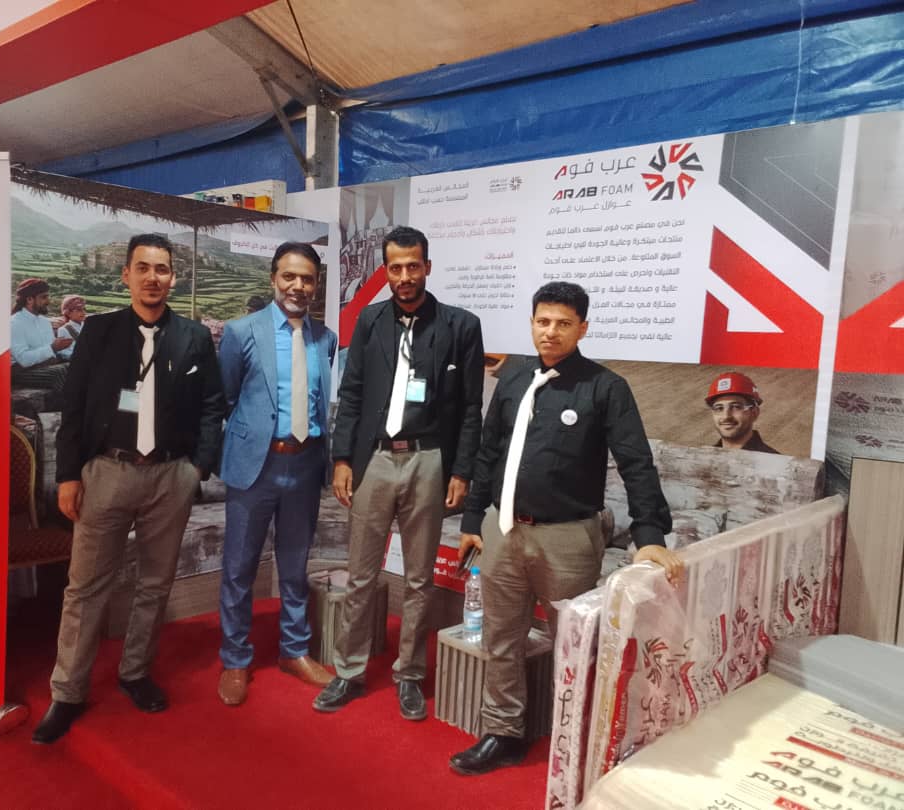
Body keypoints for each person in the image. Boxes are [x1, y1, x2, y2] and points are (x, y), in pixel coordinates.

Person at [448, 281, 683, 776]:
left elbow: (637, 463)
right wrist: (472, 519)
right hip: (501, 531)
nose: (550, 332)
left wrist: (649, 537)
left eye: (563, 323)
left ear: (582, 328)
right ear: (532, 322)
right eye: (543, 321)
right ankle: (503, 732)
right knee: (501, 638)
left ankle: (573, 737)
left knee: (573, 644)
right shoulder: (514, 377)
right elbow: (489, 452)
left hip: (568, 540)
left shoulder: (605, 388)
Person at [32, 234, 225, 744]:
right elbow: (74, 406)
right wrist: (68, 476)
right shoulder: (100, 331)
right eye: (143, 268)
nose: (152, 278)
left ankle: (135, 672)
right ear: (126, 275)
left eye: (161, 269)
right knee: (85, 587)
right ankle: (67, 692)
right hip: (107, 473)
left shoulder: (193, 337)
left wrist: (198, 469)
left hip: (171, 476)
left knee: (155, 584)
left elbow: (212, 405)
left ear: (173, 277)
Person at [313, 225, 484, 721]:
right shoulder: (370, 320)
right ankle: (349, 670)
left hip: (429, 460)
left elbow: (471, 408)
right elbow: (352, 393)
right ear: (385, 271)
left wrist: (462, 471)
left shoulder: (460, 326)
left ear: (427, 267)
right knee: (360, 574)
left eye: (413, 266)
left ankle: (408, 673)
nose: (405, 276)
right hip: (375, 459)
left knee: (419, 578)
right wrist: (342, 459)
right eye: (395, 268)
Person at [216, 242, 337, 706]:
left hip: (305, 464)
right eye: (289, 276)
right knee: (239, 568)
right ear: (273, 278)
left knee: (295, 564)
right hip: (256, 465)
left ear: (316, 285)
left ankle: (294, 650)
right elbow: (226, 397)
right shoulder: (240, 331)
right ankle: (235, 659)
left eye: (307, 278)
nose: (298, 286)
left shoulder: (325, 339)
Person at [10, 278, 71, 400]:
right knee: (61, 372)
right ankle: (72, 409)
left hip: (45, 366)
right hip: (22, 371)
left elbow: (51, 353)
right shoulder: (15, 323)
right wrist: (52, 348)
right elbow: (23, 360)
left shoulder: (44, 322)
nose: (48, 301)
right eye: (44, 297)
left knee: (77, 365)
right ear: (29, 299)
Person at [706, 371, 780, 453]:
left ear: (754, 413)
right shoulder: (704, 456)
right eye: (719, 408)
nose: (726, 416)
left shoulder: (775, 460)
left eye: (736, 407)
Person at [56, 294, 87, 360]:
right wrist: (75, 356)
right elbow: (61, 351)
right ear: (68, 313)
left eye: (84, 309)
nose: (83, 312)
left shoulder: (88, 326)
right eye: (79, 310)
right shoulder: (64, 329)